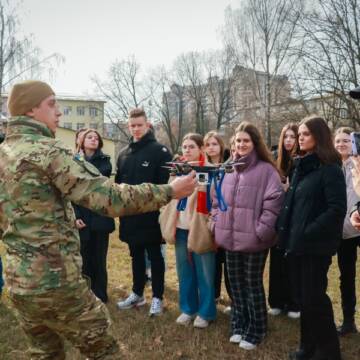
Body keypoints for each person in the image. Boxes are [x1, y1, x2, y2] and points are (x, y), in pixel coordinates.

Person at [0, 80, 196, 360]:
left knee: (44, 353)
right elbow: (107, 197)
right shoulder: (48, 153)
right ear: (31, 109)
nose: (59, 113)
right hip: (57, 283)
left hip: (19, 284)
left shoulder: (3, 155)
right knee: (106, 353)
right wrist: (169, 191)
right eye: (52, 104)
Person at [277, 116, 346, 360]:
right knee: (303, 301)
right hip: (295, 244)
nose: (300, 138)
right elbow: (291, 206)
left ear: (319, 136)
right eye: (299, 134)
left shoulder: (330, 168)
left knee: (314, 300)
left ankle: (328, 353)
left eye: (306, 134)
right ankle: (307, 348)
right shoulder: (301, 165)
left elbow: (336, 209)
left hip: (314, 247)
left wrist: (307, 232)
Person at [211, 121, 284, 350]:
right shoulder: (227, 169)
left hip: (254, 240)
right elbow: (215, 200)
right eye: (238, 141)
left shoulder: (266, 170)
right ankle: (239, 324)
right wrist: (215, 224)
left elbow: (274, 204)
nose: (241, 144)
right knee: (236, 284)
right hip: (229, 238)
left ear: (254, 143)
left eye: (246, 141)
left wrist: (261, 231)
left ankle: (257, 328)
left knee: (252, 285)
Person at [115, 108, 172, 316]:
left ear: (147, 125)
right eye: (132, 126)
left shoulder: (160, 152)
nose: (136, 129)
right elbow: (118, 187)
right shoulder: (123, 154)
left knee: (155, 256)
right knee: (135, 255)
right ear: (128, 127)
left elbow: (166, 187)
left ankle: (157, 297)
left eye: (140, 125)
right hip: (130, 217)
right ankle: (137, 293)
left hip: (152, 217)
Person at [160, 133, 216, 328]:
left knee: (205, 272)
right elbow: (168, 195)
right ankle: (188, 309)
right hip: (180, 227)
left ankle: (206, 312)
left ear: (201, 149)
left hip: (199, 228)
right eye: (184, 147)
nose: (187, 150)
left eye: (191, 146)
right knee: (185, 271)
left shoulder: (209, 170)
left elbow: (215, 198)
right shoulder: (177, 170)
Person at [73, 129, 115, 303]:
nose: (93, 140)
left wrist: (80, 161)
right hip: (81, 215)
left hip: (99, 216)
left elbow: (94, 178)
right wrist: (75, 216)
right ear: (81, 141)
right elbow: (71, 191)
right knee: (83, 257)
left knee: (99, 258)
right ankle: (86, 294)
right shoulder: (72, 161)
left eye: (96, 138)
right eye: (89, 137)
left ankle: (100, 294)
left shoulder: (105, 162)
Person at [268, 123, 300, 318]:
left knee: (293, 261)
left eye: (292, 137)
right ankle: (277, 301)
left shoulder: (302, 161)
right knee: (277, 259)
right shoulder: (274, 159)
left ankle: (294, 303)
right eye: (285, 136)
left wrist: (289, 191)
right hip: (276, 215)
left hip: (295, 216)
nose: (288, 140)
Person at [334, 127, 360, 336]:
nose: (342, 144)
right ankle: (349, 320)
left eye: (346, 140)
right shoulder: (331, 166)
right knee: (347, 276)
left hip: (358, 226)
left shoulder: (358, 165)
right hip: (342, 233)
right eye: (338, 141)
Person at [204, 131, 232, 307]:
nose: (211, 148)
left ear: (221, 145)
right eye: (208, 144)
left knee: (228, 261)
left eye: (214, 144)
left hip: (227, 218)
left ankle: (233, 298)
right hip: (208, 218)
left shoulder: (230, 166)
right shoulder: (202, 167)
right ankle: (213, 295)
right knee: (212, 260)